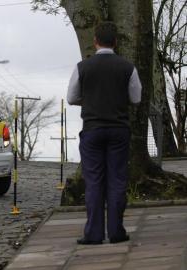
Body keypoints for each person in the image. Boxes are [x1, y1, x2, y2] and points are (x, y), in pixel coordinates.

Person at [67, 21, 142, 245]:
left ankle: (94, 234)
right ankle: (117, 231)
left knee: (94, 181)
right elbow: (136, 98)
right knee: (117, 180)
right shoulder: (128, 67)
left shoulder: (82, 67)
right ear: (116, 42)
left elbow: (71, 98)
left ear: (95, 41)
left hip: (92, 130)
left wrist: (89, 101)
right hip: (119, 129)